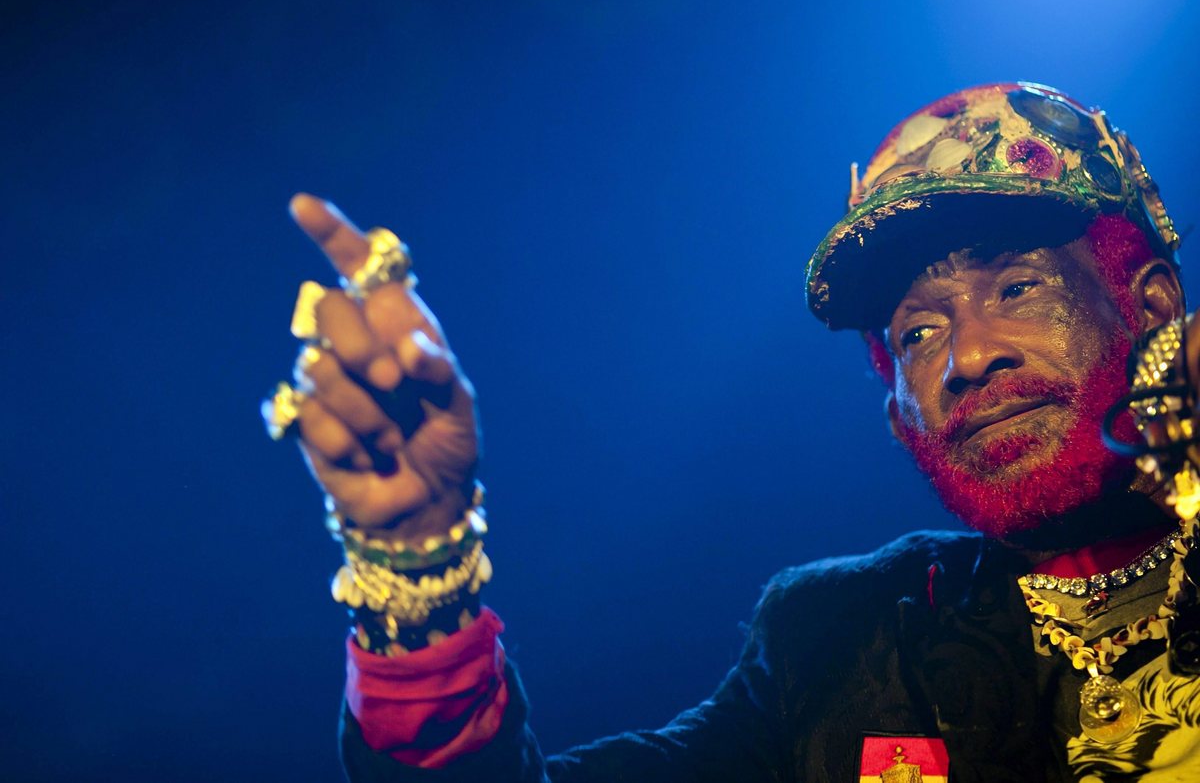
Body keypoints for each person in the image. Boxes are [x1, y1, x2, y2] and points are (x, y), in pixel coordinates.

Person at [264, 82, 1200, 781]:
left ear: (1152, 307)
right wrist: (417, 563)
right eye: (918, 333)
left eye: (1017, 288)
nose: (968, 355)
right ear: (898, 414)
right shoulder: (838, 642)